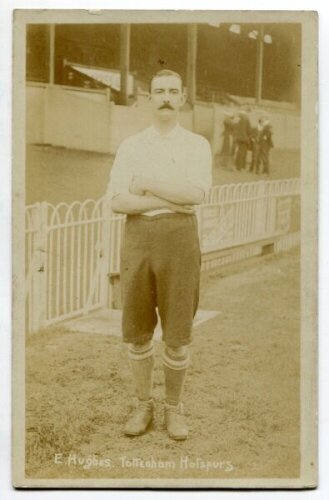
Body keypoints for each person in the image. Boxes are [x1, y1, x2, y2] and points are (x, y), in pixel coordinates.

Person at [106, 69, 212, 440]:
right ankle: (142, 404)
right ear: (149, 98)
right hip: (138, 239)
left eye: (172, 91)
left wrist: (148, 185)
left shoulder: (196, 144)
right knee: (137, 333)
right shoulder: (132, 146)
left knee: (178, 335)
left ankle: (173, 408)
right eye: (159, 91)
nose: (166, 97)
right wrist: (170, 197)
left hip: (180, 241)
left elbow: (196, 195)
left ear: (182, 97)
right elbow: (117, 199)